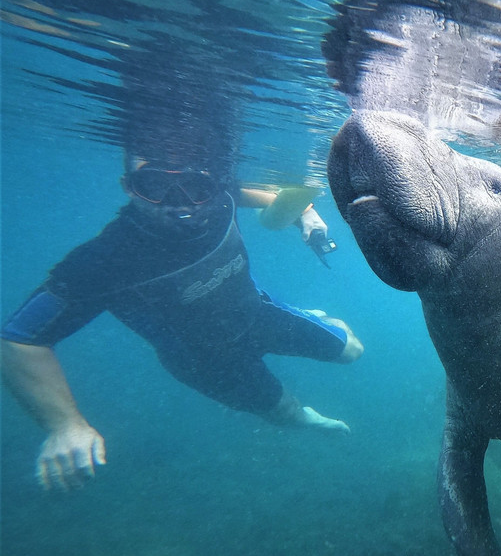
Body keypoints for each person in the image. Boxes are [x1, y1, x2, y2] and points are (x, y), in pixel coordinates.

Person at [1, 150, 363, 491]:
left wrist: (307, 212)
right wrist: (63, 424)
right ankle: (306, 419)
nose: (180, 202)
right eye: (155, 186)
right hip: (202, 360)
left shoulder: (221, 198)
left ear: (212, 186)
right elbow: (20, 337)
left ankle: (311, 318)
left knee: (352, 352)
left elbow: (270, 196)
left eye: (196, 187)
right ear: (129, 187)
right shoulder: (105, 261)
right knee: (287, 414)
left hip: (255, 313)